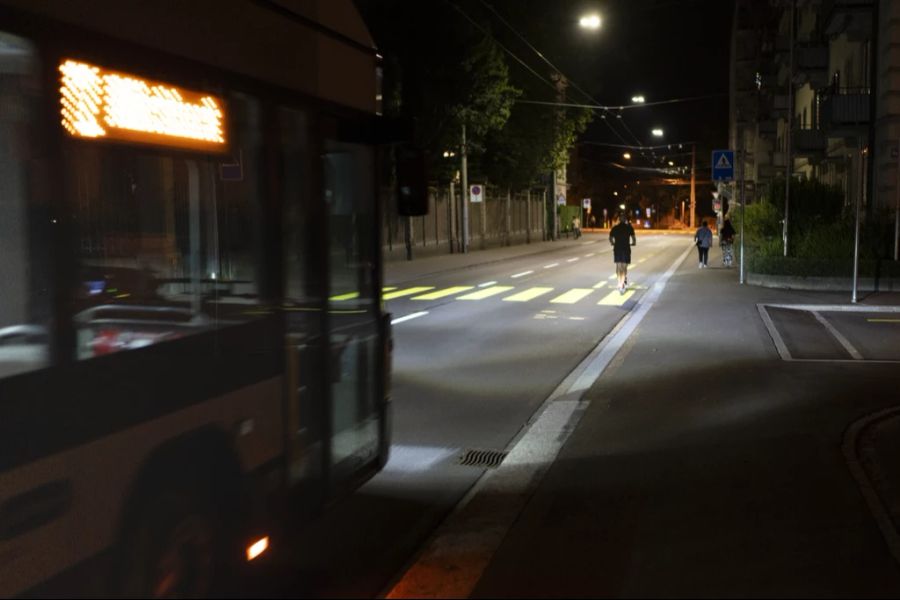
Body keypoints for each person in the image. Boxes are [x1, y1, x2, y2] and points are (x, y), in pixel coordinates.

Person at [609, 213, 636, 294]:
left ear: (619, 219)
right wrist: (633, 243)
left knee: (618, 266)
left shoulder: (615, 228)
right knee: (624, 267)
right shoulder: (629, 228)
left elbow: (610, 238)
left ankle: (619, 283)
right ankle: (622, 284)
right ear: (625, 220)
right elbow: (633, 238)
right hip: (626, 249)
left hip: (617, 249)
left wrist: (613, 243)